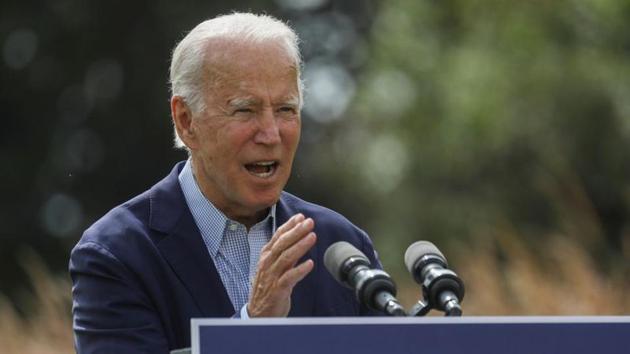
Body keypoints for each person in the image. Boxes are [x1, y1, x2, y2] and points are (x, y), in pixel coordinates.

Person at [70, 12, 382, 353]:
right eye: (245, 110)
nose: (271, 134)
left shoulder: (343, 246)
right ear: (186, 121)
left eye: (285, 109)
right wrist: (252, 324)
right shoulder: (116, 254)